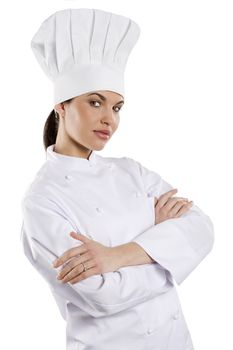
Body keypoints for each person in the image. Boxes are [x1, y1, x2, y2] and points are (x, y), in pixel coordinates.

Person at [20, 8, 214, 350]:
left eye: (117, 107)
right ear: (61, 106)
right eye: (95, 102)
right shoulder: (42, 200)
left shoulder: (131, 170)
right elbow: (102, 296)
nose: (109, 119)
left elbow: (201, 228)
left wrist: (115, 256)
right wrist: (164, 250)